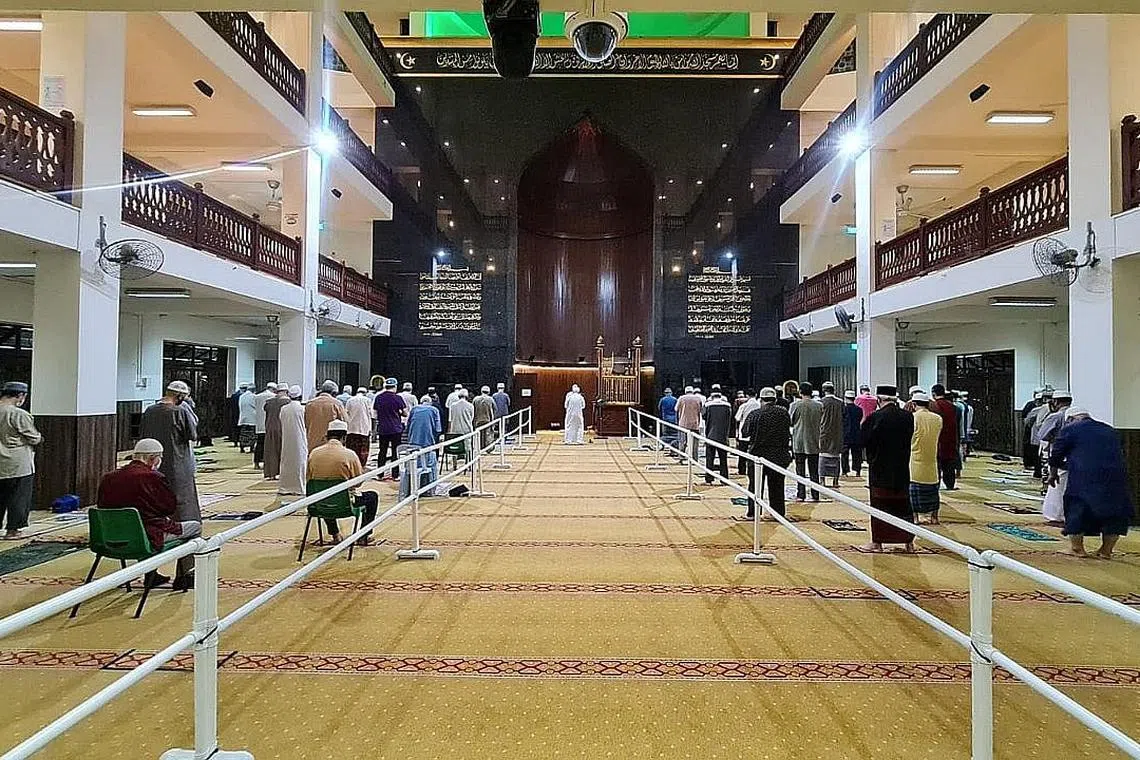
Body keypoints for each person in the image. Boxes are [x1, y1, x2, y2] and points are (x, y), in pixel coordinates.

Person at [97, 438, 203, 588]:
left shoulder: (108, 477)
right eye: (160, 458)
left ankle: (151, 575)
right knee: (195, 527)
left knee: (140, 524)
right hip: (146, 536)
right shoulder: (152, 477)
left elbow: (102, 506)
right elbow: (169, 508)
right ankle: (185, 576)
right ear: (153, 459)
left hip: (108, 537)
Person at [138, 380, 200, 588]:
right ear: (181, 397)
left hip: (151, 472)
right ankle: (184, 575)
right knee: (187, 520)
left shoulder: (149, 411)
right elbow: (192, 434)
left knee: (151, 520)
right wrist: (188, 410)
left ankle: (150, 573)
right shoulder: (179, 411)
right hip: (178, 473)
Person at [1049, 408, 1133, 559]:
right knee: (1114, 510)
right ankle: (1106, 550)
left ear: (1070, 419)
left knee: (1077, 506)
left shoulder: (1070, 429)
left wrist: (1053, 474)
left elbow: (1056, 454)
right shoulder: (1109, 430)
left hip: (1084, 475)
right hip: (1116, 476)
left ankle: (1077, 549)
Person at [861, 385, 917, 552]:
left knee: (880, 505)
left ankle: (877, 543)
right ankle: (908, 542)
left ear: (879, 400)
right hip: (901, 468)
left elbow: (865, 440)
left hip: (880, 469)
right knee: (903, 505)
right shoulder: (908, 417)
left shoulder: (875, 417)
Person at [307, 420, 380, 546]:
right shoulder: (349, 454)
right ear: (344, 438)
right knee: (372, 497)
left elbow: (309, 478)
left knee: (325, 494)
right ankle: (363, 536)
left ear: (327, 436)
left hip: (318, 504)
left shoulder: (314, 453)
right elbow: (358, 482)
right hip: (345, 503)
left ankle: (335, 535)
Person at [739, 387, 792, 520]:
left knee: (755, 486)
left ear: (761, 400)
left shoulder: (755, 414)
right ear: (775, 400)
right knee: (777, 486)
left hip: (758, 455)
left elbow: (745, 432)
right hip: (779, 456)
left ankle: (753, 513)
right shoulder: (784, 413)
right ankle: (778, 513)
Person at [0, 382, 41, 540]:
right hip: (17, 464)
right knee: (18, 497)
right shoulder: (18, 414)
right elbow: (34, 438)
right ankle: (13, 531)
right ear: (20, 396)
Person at [1039, 390, 1074, 524]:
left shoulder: (1055, 417)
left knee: (1057, 487)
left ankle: (1056, 515)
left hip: (1059, 456)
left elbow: (1042, 435)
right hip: (1075, 457)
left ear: (1055, 402)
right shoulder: (1075, 416)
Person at [908, 392, 943, 525]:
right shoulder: (938, 419)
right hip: (931, 461)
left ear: (913, 404)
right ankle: (934, 517)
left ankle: (915, 518)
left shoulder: (912, 418)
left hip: (915, 460)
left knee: (914, 493)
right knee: (933, 491)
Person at [790, 382, 823, 502]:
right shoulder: (819, 405)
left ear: (800, 392)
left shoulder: (795, 405)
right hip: (814, 440)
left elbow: (790, 421)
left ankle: (801, 494)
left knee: (800, 471)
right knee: (814, 470)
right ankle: (815, 495)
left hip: (799, 441)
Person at [277, 386, 308, 496]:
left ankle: (285, 487)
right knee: (300, 462)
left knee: (286, 462)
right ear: (300, 396)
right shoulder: (302, 409)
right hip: (300, 440)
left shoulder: (284, 409)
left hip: (286, 439)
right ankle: (299, 487)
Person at [374, 378, 406, 481]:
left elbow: (375, 413)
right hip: (396, 429)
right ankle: (395, 475)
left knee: (382, 451)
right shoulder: (398, 398)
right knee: (395, 452)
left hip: (383, 428)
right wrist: (399, 413)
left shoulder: (378, 397)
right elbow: (405, 413)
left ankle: (380, 474)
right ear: (395, 386)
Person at [929, 384, 960, 491]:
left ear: (933, 393)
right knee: (949, 464)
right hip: (951, 439)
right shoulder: (954, 407)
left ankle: (936, 484)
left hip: (937, 439)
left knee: (937, 464)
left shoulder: (933, 406)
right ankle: (950, 484)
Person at [408, 394, 443, 482]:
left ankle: (414, 482)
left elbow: (408, 425)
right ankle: (430, 481)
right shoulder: (434, 410)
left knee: (415, 462)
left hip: (413, 440)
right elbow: (438, 429)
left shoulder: (414, 409)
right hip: (428, 440)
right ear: (430, 403)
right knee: (429, 463)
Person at [701, 389, 733, 485]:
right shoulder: (727, 405)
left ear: (712, 396)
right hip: (723, 436)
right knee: (723, 459)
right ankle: (724, 479)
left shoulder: (708, 405)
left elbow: (703, 416)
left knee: (710, 458)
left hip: (710, 435)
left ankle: (709, 478)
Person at [305, 380, 346, 452]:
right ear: (333, 393)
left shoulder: (309, 404)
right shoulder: (336, 403)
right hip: (330, 444)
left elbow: (305, 423)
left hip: (312, 443)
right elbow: (345, 421)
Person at [818, 382, 844, 489]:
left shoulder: (820, 402)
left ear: (824, 390)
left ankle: (822, 480)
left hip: (824, 433)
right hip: (837, 433)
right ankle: (835, 480)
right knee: (836, 457)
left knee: (823, 456)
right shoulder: (840, 402)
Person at [262, 383, 290, 481]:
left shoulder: (269, 402)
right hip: (282, 428)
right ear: (286, 391)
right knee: (282, 451)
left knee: (270, 451)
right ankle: (281, 472)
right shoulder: (287, 402)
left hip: (269, 428)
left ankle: (271, 473)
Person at [1027, 388, 1054, 479]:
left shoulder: (1039, 409)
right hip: (1045, 437)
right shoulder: (1047, 409)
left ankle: (1039, 473)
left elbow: (1028, 421)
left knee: (1039, 456)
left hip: (1040, 436)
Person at [344, 387, 373, 468]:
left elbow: (346, 413)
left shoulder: (350, 400)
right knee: (363, 450)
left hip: (351, 428)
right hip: (364, 428)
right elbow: (371, 414)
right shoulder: (367, 400)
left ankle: (352, 465)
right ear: (365, 393)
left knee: (352, 448)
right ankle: (361, 466)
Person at [734, 389, 761, 476]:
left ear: (747, 396)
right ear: (756, 395)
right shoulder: (760, 405)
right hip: (756, 432)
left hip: (744, 432)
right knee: (755, 454)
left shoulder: (744, 406)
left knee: (742, 453)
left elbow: (737, 418)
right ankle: (754, 470)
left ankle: (742, 470)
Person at [252, 382, 276, 468]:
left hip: (259, 424)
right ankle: (267, 463)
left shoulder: (257, 396)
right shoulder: (273, 397)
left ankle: (256, 463)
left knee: (259, 444)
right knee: (269, 446)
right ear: (273, 389)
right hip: (269, 424)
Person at [449, 389, 476, 462]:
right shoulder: (470, 406)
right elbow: (472, 418)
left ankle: (454, 464)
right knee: (468, 448)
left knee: (455, 447)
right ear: (467, 396)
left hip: (455, 430)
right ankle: (468, 463)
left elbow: (451, 418)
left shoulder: (453, 406)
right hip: (467, 429)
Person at [1021, 389, 1044, 471]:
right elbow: (1025, 418)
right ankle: (1030, 464)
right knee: (1030, 447)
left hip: (1037, 432)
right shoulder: (1030, 405)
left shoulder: (1040, 408)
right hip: (1032, 430)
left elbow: (1027, 419)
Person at [674, 386, 702, 456]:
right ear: (692, 391)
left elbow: (676, 409)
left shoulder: (681, 398)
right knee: (695, 443)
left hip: (683, 423)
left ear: (685, 391)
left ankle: (681, 456)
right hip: (695, 423)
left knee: (682, 441)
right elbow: (701, 410)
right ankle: (695, 458)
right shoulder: (698, 398)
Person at [842, 390, 864, 477]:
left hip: (845, 434)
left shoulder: (844, 409)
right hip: (856, 434)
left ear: (845, 398)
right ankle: (857, 470)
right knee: (857, 454)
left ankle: (845, 471)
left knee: (845, 454)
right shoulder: (859, 409)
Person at [473, 386, 496, 451]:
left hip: (477, 420)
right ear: (488, 392)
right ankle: (488, 449)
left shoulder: (475, 399)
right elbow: (495, 408)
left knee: (478, 435)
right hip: (488, 419)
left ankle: (479, 448)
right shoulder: (490, 399)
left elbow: (473, 408)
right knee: (487, 435)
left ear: (481, 391)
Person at [236, 383, 256, 454]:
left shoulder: (241, 396)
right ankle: (251, 448)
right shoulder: (253, 396)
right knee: (252, 435)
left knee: (243, 434)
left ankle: (242, 447)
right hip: (252, 418)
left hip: (243, 418)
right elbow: (255, 406)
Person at [658, 388, 678, 452]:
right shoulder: (675, 399)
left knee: (665, 433)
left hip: (665, 418)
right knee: (674, 433)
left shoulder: (662, 399)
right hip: (674, 419)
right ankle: (674, 444)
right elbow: (677, 409)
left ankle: (663, 445)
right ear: (671, 393)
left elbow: (659, 408)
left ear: (665, 393)